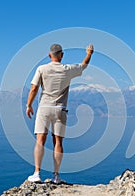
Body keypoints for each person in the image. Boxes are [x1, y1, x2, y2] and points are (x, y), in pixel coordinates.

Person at [26, 43, 94, 184]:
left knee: (40, 140)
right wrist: (89, 53)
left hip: (44, 108)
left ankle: (37, 173)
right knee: (58, 142)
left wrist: (29, 105)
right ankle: (56, 176)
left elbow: (33, 88)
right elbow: (84, 65)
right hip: (60, 109)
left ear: (49, 55)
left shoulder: (41, 69)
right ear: (61, 55)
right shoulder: (67, 70)